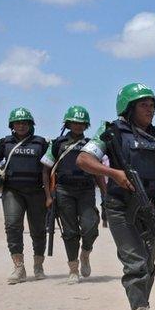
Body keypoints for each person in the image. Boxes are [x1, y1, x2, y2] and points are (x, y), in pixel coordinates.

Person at [77, 83, 155, 310]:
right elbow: (83, 159)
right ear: (129, 107)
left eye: (152, 105)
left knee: (149, 266)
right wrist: (112, 173)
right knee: (135, 264)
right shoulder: (111, 132)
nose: (150, 110)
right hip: (121, 206)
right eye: (143, 105)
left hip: (153, 207)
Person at [41, 106, 105, 285]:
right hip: (64, 191)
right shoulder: (57, 143)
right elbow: (46, 171)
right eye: (74, 123)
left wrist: (105, 194)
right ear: (68, 123)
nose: (78, 126)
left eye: (81, 123)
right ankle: (73, 269)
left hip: (86, 190)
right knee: (69, 232)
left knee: (91, 226)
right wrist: (48, 196)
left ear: (86, 125)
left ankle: (85, 253)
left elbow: (98, 171)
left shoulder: (91, 145)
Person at [0, 108, 50, 284]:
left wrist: (50, 194)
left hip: (36, 192)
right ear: (12, 125)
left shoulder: (42, 143)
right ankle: (19, 267)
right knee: (13, 226)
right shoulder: (3, 143)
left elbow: (50, 167)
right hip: (12, 191)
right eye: (17, 123)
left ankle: (38, 265)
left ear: (31, 124)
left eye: (24, 122)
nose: (21, 125)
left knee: (38, 230)